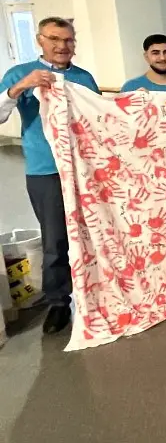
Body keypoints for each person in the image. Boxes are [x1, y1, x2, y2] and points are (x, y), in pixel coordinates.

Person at [0, 17, 100, 334]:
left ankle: (97, 291)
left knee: (93, 232)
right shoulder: (21, 75)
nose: (62, 46)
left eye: (69, 40)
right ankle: (59, 302)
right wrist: (20, 87)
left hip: (84, 168)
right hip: (46, 170)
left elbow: (97, 119)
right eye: (55, 39)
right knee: (56, 239)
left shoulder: (83, 78)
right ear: (39, 39)